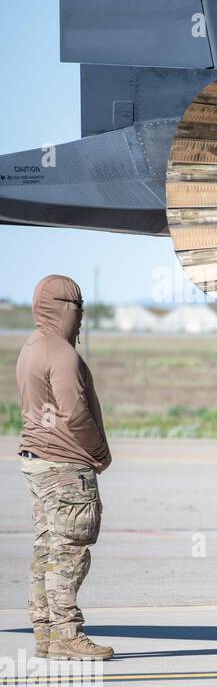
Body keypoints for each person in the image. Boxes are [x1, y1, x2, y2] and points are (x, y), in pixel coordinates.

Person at [17, 275, 113, 660]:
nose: (81, 318)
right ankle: (68, 634)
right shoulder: (61, 354)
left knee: (47, 547)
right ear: (64, 309)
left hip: (39, 461)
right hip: (66, 465)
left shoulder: (32, 347)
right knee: (69, 550)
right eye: (77, 308)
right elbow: (74, 412)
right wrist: (99, 451)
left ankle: (46, 632)